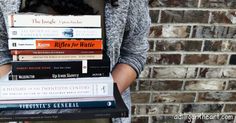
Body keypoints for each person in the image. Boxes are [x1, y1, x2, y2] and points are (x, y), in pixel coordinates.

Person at [0, 0, 151, 122]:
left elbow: (133, 53)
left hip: (100, 116)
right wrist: (20, 103)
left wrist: (98, 97)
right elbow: (2, 53)